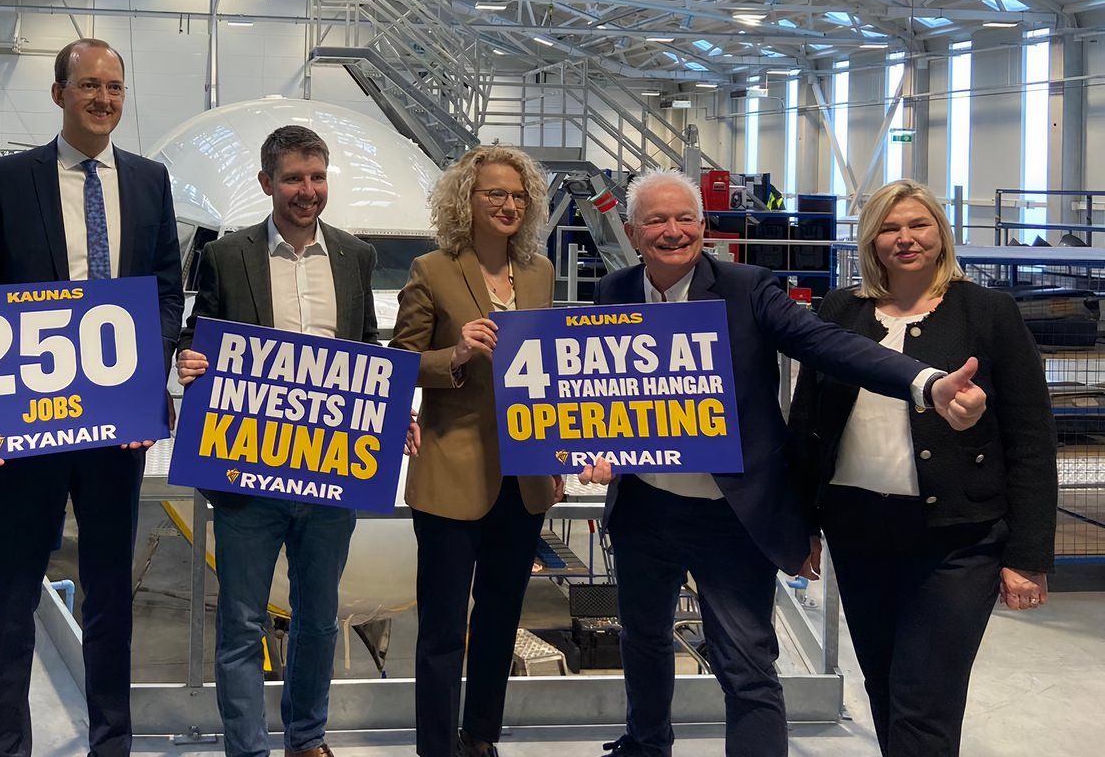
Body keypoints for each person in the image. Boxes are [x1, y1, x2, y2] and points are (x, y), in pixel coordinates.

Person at [579, 169, 988, 757]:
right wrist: (596, 447)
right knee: (642, 644)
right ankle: (645, 745)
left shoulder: (747, 288)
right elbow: (599, 392)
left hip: (730, 517)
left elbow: (827, 344)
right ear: (632, 230)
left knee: (745, 662)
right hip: (644, 508)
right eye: (656, 221)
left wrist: (923, 382)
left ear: (703, 224)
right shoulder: (613, 292)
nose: (673, 232)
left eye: (685, 218)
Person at [0, 38, 182, 757]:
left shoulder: (151, 181)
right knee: (13, 595)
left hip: (114, 429)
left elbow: (163, 292)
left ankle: (111, 743)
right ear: (58, 94)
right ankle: (6, 746)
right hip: (26, 423)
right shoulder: (8, 179)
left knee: (111, 597)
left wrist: (145, 385)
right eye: (89, 85)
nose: (104, 99)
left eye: (115, 87)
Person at [788, 180, 1057, 756]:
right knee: (885, 690)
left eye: (918, 225)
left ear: (941, 233)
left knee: (923, 701)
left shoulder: (988, 313)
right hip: (859, 532)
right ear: (871, 240)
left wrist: (1028, 558)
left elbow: (1032, 439)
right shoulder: (841, 311)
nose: (904, 239)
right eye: (889, 227)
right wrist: (801, 523)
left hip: (957, 541)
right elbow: (808, 425)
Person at [174, 125, 379, 757]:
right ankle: (247, 748)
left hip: (328, 472)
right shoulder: (227, 255)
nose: (307, 191)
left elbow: (369, 348)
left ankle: (306, 737)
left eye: (317, 177)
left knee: (317, 620)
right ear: (267, 184)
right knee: (240, 623)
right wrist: (187, 358)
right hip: (247, 474)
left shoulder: (355, 257)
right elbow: (195, 332)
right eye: (293, 178)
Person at [391, 145, 562, 757]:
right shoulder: (432, 270)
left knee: (497, 624)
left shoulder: (540, 273)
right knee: (441, 630)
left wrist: (559, 451)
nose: (509, 204)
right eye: (495, 193)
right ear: (466, 200)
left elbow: (552, 370)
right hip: (450, 471)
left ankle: (481, 738)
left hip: (526, 477)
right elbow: (401, 364)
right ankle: (436, 748)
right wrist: (457, 355)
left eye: (518, 195)